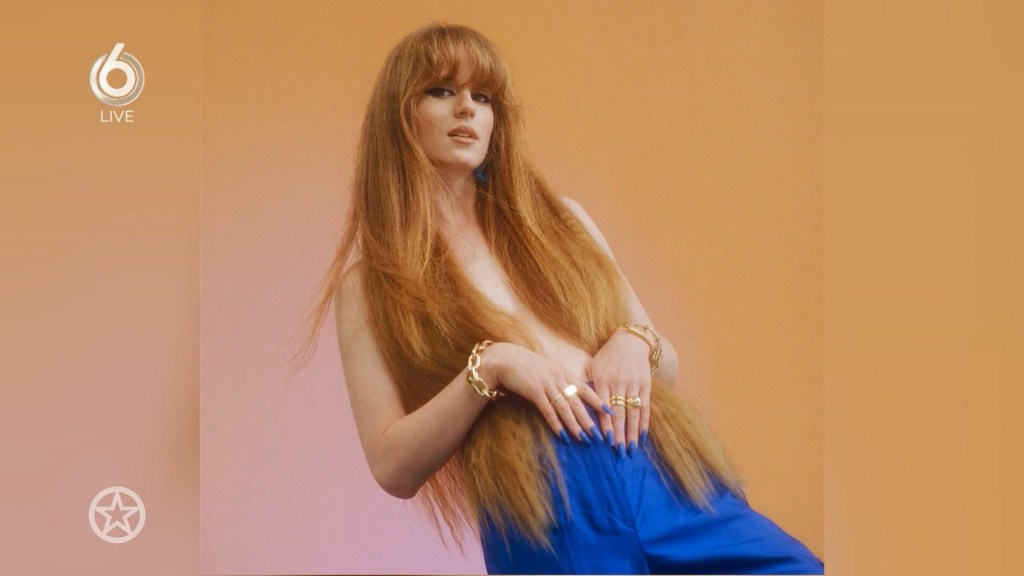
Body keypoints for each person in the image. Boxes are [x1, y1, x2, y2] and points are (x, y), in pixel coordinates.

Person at [296, 22, 825, 575]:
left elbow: (666, 366)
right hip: (547, 497)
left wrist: (633, 340)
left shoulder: (561, 222)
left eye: (483, 96)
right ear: (400, 115)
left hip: (657, 465)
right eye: (441, 90)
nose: (467, 108)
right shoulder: (371, 286)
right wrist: (489, 368)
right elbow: (392, 466)